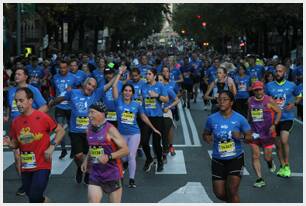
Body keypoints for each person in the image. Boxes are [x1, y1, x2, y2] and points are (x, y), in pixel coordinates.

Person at [48, 76, 116, 184]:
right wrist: (51, 103)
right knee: (78, 155)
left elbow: (108, 86)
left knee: (88, 154)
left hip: (90, 132)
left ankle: (88, 172)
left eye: (93, 86)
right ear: (84, 84)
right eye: (89, 84)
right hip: (75, 131)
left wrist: (119, 73)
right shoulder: (73, 93)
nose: (90, 88)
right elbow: (62, 98)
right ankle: (80, 168)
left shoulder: (96, 94)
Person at [4, 87, 65, 203]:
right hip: (26, 166)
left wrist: (52, 146)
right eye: (16, 101)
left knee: (34, 197)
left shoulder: (42, 117)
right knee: (32, 195)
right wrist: (9, 143)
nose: (18, 104)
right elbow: (15, 144)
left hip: (42, 164)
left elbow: (61, 131)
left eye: (21, 100)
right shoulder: (16, 121)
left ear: (30, 101)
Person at [112, 68, 161, 187]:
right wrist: (119, 73)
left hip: (134, 133)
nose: (128, 92)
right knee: (123, 158)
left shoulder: (136, 104)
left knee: (131, 156)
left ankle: (131, 180)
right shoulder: (118, 102)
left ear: (133, 94)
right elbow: (114, 87)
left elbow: (143, 117)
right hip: (121, 134)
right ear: (122, 92)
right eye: (125, 90)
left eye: (130, 91)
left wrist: (153, 128)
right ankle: (123, 168)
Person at [202, 90, 252, 203]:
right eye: (220, 99)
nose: (222, 102)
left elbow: (250, 137)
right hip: (217, 160)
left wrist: (241, 136)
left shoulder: (240, 119)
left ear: (231, 102)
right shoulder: (212, 118)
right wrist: (207, 137)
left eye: (225, 99)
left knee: (232, 190)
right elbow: (205, 133)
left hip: (235, 158)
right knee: (219, 193)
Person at [5, 67, 48, 196]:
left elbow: (44, 106)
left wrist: (33, 119)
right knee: (18, 158)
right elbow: (10, 106)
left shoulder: (33, 90)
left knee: (30, 157)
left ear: (25, 77)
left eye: (19, 74)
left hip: (30, 130)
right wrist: (7, 115)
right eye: (15, 74)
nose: (16, 76)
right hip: (16, 129)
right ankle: (25, 184)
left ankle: (35, 179)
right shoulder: (12, 90)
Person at [80, 101, 129, 203]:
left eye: (92, 112)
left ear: (102, 114)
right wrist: (86, 160)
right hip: (96, 172)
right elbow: (93, 146)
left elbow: (125, 150)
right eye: (89, 113)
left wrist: (109, 156)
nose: (89, 116)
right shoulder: (88, 129)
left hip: (113, 173)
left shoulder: (110, 130)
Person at [265, 64, 301, 177]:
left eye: (280, 71)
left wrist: (294, 103)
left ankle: (287, 165)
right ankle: (282, 166)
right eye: (276, 71)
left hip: (287, 117)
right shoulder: (269, 86)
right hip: (274, 119)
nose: (278, 73)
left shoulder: (291, 85)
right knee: (278, 144)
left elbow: (299, 95)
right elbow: (264, 99)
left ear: (284, 73)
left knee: (284, 140)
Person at [247, 81, 282, 188]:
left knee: (267, 157)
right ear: (253, 91)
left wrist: (274, 125)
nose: (258, 91)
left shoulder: (269, 100)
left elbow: (279, 112)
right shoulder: (250, 100)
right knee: (255, 155)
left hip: (267, 132)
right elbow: (249, 113)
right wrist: (247, 127)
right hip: (255, 132)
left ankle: (270, 162)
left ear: (263, 89)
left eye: (260, 89)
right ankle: (259, 179)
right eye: (256, 90)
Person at [141, 68, 169, 172]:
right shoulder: (143, 86)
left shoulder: (160, 85)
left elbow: (166, 99)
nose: (147, 76)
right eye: (146, 74)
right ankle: (149, 159)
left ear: (154, 75)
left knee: (156, 143)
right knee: (144, 141)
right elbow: (142, 100)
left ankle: (160, 160)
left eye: (149, 74)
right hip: (146, 118)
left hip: (157, 117)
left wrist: (156, 95)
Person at [51, 60, 78, 159]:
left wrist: (73, 91)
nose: (62, 70)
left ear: (67, 68)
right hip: (59, 107)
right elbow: (53, 90)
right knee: (59, 129)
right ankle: (63, 150)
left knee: (72, 130)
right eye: (61, 68)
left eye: (64, 68)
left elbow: (79, 90)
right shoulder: (55, 77)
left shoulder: (73, 78)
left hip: (70, 107)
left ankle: (73, 149)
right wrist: (52, 98)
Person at [158, 69, 180, 158]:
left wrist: (169, 107)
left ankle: (169, 147)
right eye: (157, 80)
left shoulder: (170, 87)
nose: (159, 82)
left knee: (168, 130)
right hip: (157, 113)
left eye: (160, 80)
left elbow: (177, 99)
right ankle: (160, 149)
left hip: (168, 111)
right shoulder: (154, 89)